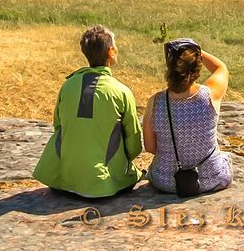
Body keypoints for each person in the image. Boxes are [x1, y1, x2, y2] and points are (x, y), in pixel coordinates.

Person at [33, 26, 144, 199]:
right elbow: (134, 144)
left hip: (64, 179)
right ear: (111, 51)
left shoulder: (68, 85)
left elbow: (58, 126)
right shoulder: (121, 91)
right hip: (102, 185)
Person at [143, 39, 232, 196]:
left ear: (169, 68)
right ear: (196, 65)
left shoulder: (156, 102)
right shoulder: (210, 95)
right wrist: (196, 51)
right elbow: (221, 68)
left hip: (167, 181)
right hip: (212, 178)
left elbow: (151, 148)